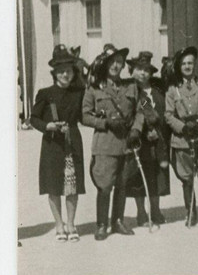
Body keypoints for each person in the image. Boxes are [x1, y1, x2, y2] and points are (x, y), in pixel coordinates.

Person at [30, 45, 87, 242]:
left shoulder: (79, 92)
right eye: (61, 71)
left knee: (72, 186)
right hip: (52, 144)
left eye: (68, 71)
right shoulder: (45, 93)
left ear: (73, 72)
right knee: (54, 185)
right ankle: (59, 225)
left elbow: (84, 115)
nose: (65, 74)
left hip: (72, 142)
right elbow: (33, 119)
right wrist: (48, 126)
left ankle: (71, 224)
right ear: (55, 73)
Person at [81, 44, 137, 240]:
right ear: (105, 65)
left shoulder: (131, 86)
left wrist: (137, 130)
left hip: (126, 145)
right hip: (105, 145)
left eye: (119, 62)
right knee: (105, 186)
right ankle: (102, 224)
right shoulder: (94, 88)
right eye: (112, 62)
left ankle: (118, 221)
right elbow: (85, 116)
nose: (115, 66)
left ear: (123, 66)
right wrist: (105, 123)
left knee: (122, 185)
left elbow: (143, 106)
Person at [164, 46, 198, 226]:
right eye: (184, 63)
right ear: (179, 66)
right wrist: (183, 127)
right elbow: (168, 114)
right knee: (186, 178)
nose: (187, 67)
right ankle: (191, 212)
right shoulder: (172, 90)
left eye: (190, 63)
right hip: (183, 139)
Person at [125, 54, 170, 230]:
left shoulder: (158, 90)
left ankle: (156, 210)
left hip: (159, 139)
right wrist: (144, 132)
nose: (143, 74)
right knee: (139, 176)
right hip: (140, 139)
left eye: (146, 70)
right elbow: (129, 116)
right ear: (132, 71)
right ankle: (141, 211)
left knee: (157, 175)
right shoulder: (130, 91)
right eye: (139, 70)